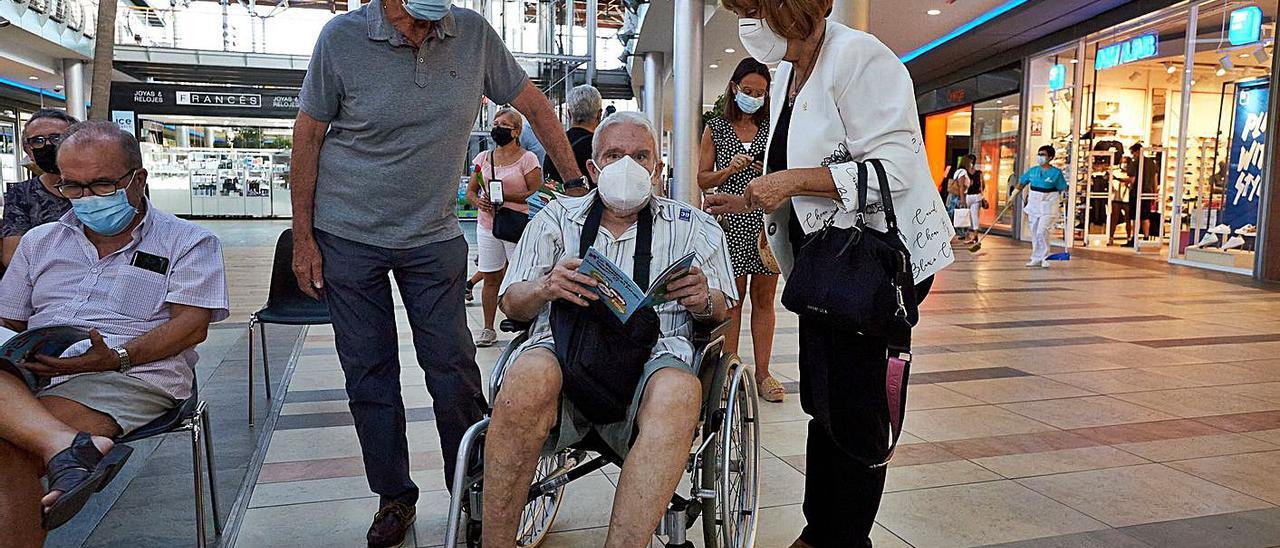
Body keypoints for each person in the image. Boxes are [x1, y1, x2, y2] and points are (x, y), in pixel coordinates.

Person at [290, 0, 588, 545]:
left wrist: (573, 186)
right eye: (412, 17)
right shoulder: (341, 38)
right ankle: (394, 497)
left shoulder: (472, 33)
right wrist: (304, 237)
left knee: (452, 369)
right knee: (369, 372)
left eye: (433, 16)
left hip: (432, 235)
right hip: (348, 234)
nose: (424, 29)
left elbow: (538, 107)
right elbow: (307, 136)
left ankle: (473, 492)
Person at [706, 2, 953, 546]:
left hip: (871, 265)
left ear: (786, 8)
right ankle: (821, 528)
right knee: (824, 400)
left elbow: (895, 170)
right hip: (825, 265)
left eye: (753, 10)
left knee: (856, 405)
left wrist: (792, 181)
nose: (747, 24)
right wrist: (752, 198)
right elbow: (796, 166)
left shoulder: (858, 57)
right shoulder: (790, 72)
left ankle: (844, 535)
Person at [483, 112, 736, 547]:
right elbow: (511, 302)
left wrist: (705, 298)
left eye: (640, 156)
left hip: (656, 358)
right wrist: (545, 286)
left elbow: (724, 307)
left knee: (680, 393)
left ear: (657, 168)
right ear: (593, 168)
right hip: (563, 350)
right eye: (614, 155)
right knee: (525, 377)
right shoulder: (554, 219)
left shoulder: (696, 226)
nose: (627, 166)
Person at [0, 121, 228, 546]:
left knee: (11, 450)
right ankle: (69, 446)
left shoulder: (188, 242)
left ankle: (66, 447)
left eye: (102, 185)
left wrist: (116, 357)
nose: (87, 199)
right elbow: (9, 320)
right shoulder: (39, 242)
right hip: (35, 374)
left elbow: (190, 327)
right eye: (73, 187)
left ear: (137, 179)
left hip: (129, 377)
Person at [697, 57, 783, 403]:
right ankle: (728, 371)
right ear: (734, 88)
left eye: (760, 92)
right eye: (748, 90)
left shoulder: (773, 127)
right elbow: (703, 179)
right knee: (733, 300)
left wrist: (770, 172)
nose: (753, 97)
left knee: (764, 299)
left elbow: (785, 171)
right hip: (730, 222)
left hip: (765, 222)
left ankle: (763, 373)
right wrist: (727, 171)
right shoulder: (715, 128)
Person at [467, 106, 543, 347]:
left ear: (517, 131)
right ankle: (488, 328)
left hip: (515, 224)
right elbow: (471, 191)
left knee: (520, 277)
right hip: (487, 224)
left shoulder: (528, 159)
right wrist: (479, 200)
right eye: (495, 124)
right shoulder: (483, 158)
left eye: (504, 125)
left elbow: (536, 193)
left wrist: (506, 198)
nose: (497, 129)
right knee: (491, 277)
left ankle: (527, 324)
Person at [2, 109, 78, 268]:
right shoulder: (21, 194)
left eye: (57, 138)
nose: (47, 145)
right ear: (28, 150)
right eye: (37, 140)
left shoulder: (100, 187)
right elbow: (12, 257)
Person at [1018, 145, 1069, 267]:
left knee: (1042, 230)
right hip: (1034, 204)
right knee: (1035, 232)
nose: (1040, 157)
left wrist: (1065, 197)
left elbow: (1063, 188)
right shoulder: (1033, 171)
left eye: (1043, 155)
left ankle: (1045, 256)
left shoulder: (1056, 173)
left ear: (1050, 157)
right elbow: (1021, 183)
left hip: (1048, 205)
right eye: (1039, 154)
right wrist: (1013, 195)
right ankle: (1036, 257)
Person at [545, 84, 603, 188]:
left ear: (569, 114)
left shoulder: (555, 145)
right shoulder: (601, 148)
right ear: (599, 114)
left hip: (560, 203)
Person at [963, 153, 984, 242]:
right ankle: (973, 235)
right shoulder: (979, 173)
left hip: (970, 196)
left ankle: (970, 235)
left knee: (968, 216)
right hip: (975, 196)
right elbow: (983, 185)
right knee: (972, 216)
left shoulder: (965, 172)